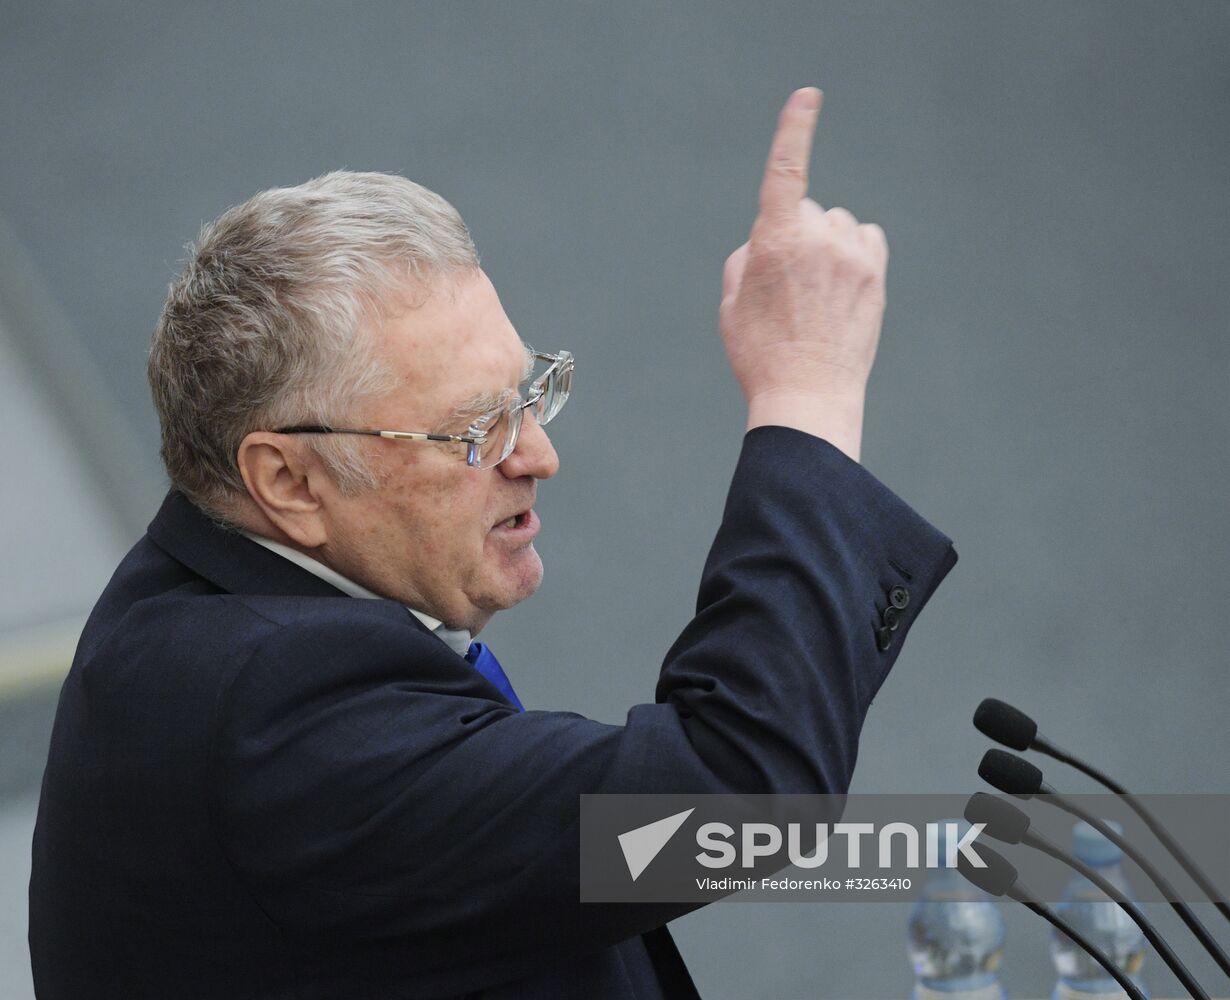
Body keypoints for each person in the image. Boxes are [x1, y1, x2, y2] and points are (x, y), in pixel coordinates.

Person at [29, 88, 957, 999]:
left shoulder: (187, 608)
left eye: (530, 395)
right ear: (289, 481)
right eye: (475, 432)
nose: (540, 455)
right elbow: (736, 793)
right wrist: (809, 395)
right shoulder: (276, 720)